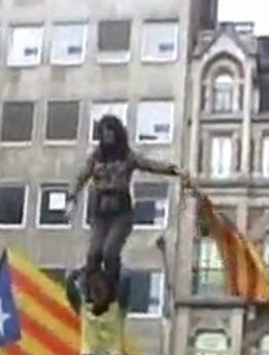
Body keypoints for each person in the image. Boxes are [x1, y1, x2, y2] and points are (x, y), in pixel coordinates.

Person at [66, 114, 188, 285]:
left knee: (109, 252)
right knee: (94, 254)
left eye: (110, 133)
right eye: (104, 134)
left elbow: (150, 164)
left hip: (120, 212)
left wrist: (173, 170)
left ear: (117, 135)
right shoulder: (96, 157)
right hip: (100, 211)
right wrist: (71, 200)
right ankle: (90, 286)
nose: (107, 138)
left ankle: (112, 284)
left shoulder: (127, 156)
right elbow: (80, 178)